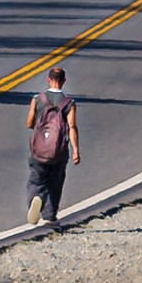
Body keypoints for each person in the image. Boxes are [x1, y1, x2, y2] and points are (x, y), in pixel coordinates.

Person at [25, 66, 80, 227]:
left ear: (48, 80)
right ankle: (50, 216)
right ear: (63, 82)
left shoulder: (37, 99)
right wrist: (75, 150)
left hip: (38, 150)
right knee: (55, 183)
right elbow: (72, 127)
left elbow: (29, 123)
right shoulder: (69, 103)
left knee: (36, 180)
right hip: (58, 151)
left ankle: (36, 200)